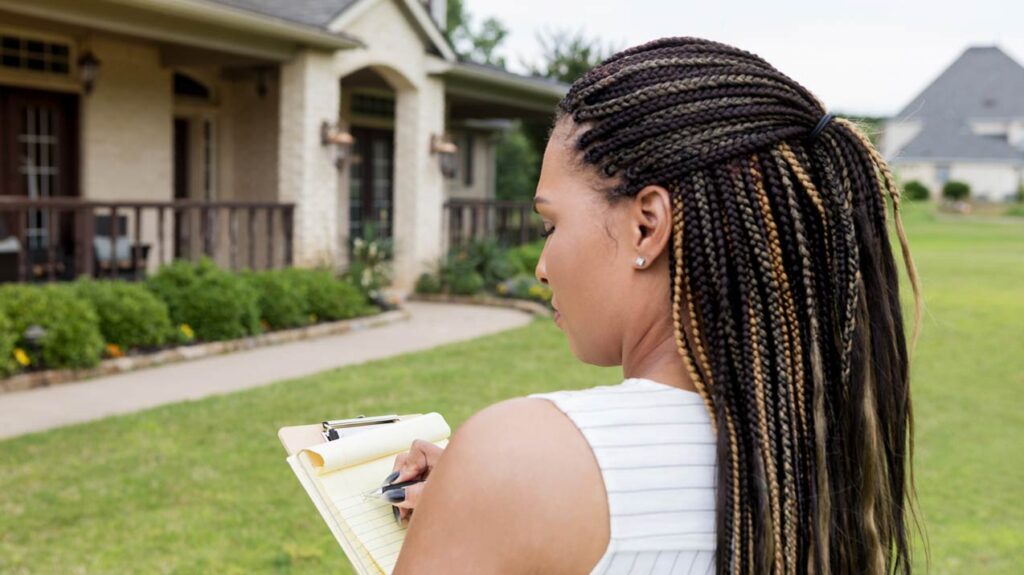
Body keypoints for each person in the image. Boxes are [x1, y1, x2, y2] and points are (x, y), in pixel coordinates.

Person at [386, 36, 923, 575]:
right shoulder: (821, 453)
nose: (541, 267)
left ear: (648, 226)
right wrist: (469, 502)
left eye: (551, 225)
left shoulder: (511, 459)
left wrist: (470, 506)